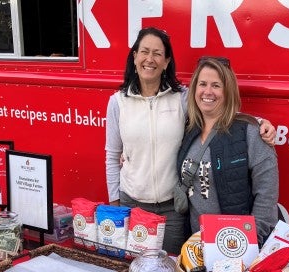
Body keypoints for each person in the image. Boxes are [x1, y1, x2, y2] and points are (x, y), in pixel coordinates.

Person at [106, 27, 276, 254]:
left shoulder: (181, 98)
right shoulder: (118, 102)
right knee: (133, 269)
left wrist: (258, 123)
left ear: (166, 62)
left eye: (157, 53)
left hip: (172, 209)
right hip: (132, 203)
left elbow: (217, 109)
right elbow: (111, 154)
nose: (150, 59)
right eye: (144, 51)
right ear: (134, 56)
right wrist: (115, 202)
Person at [177, 56, 279, 247]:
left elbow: (267, 197)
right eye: (202, 84)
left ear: (228, 91)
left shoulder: (251, 133)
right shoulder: (188, 129)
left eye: (216, 85)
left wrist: (248, 244)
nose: (208, 92)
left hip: (235, 245)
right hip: (196, 243)